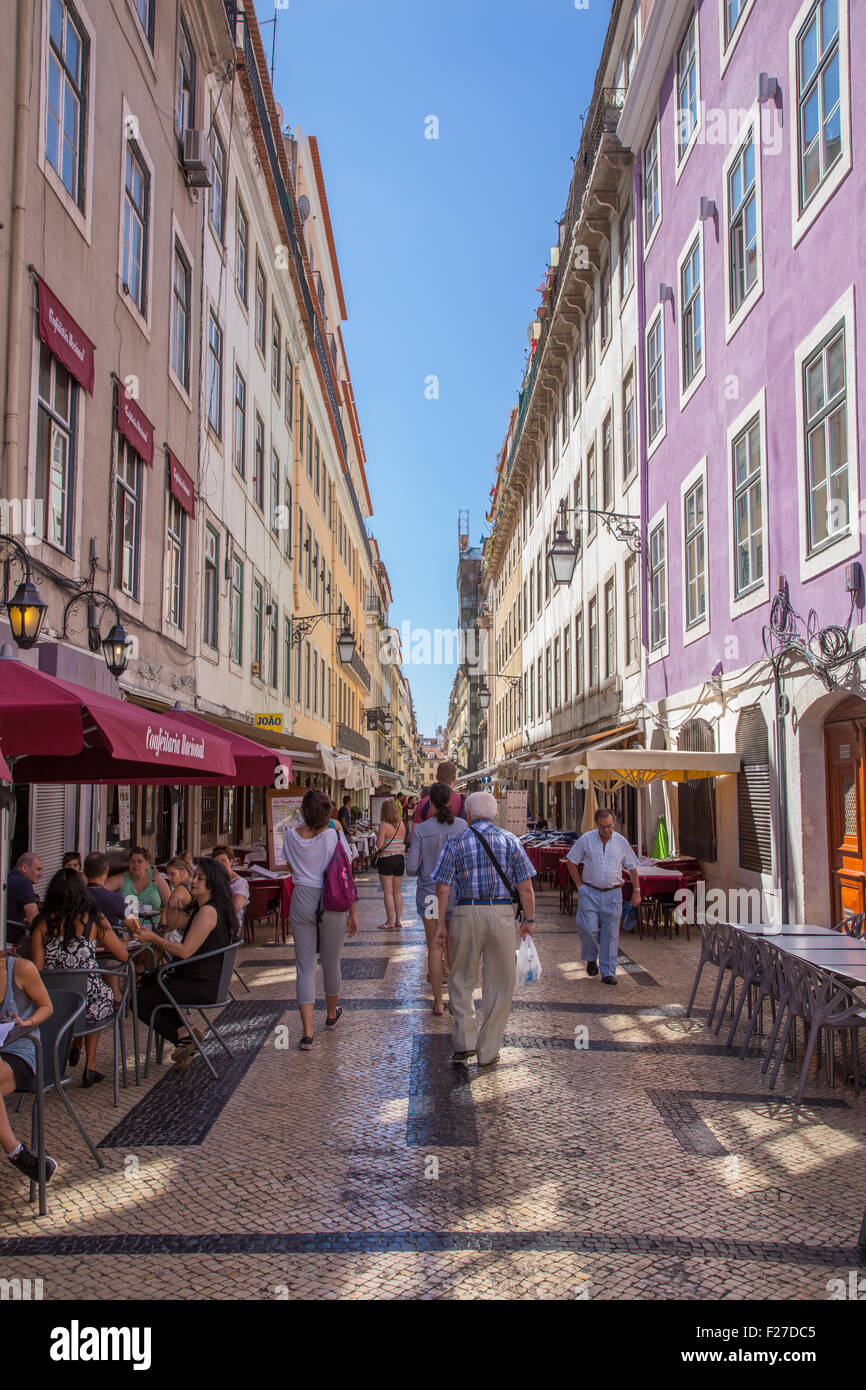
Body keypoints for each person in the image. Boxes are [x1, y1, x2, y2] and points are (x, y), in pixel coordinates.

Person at [432, 791, 536, 1067]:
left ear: (468, 815)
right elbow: (526, 888)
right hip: (501, 914)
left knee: (461, 978)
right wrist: (529, 920)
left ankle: (465, 1041)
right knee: (500, 983)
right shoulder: (511, 841)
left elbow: (442, 888)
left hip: (466, 912)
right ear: (494, 815)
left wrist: (441, 923)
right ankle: (488, 1050)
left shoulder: (456, 841)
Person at [134, 858, 235, 1071]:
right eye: (194, 876)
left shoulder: (208, 912)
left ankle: (183, 1036)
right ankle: (184, 1033)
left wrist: (154, 939)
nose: (193, 881)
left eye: (200, 878)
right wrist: (172, 906)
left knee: (138, 999)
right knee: (150, 990)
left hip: (202, 985)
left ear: (212, 884)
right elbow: (173, 923)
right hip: (203, 980)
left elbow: (185, 950)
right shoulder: (204, 907)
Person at [30, 867, 128, 1087]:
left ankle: (73, 1046)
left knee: (81, 993)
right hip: (87, 1000)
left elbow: (37, 967)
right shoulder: (94, 919)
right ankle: (90, 1065)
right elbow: (122, 955)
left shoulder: (42, 923)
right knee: (101, 994)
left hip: (52, 1003)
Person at [281, 788, 358, 1051]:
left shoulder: (290, 836)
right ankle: (332, 1014)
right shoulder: (334, 834)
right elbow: (347, 868)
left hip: (302, 895)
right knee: (331, 961)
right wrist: (354, 911)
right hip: (331, 898)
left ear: (304, 811)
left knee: (304, 966)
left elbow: (289, 865)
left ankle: (307, 1032)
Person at [405, 782, 467, 1015]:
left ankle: (438, 1002)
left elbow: (410, 868)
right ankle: (454, 999)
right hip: (454, 893)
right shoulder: (461, 826)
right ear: (450, 802)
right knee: (452, 945)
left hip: (429, 894)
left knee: (434, 946)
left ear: (430, 802)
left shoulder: (421, 830)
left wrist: (424, 867)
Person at [565, 808, 641, 984]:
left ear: (614, 824)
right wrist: (579, 885)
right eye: (602, 827)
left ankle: (608, 972)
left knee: (611, 934)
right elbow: (571, 861)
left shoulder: (621, 842)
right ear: (596, 824)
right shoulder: (586, 839)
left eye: (609, 826)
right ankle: (591, 957)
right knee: (588, 929)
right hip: (590, 891)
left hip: (613, 893)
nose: (606, 830)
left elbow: (632, 867)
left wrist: (637, 890)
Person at [0, 953, 55, 1182]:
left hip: (21, 1050)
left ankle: (16, 1152)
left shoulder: (21, 968)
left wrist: (27, 1023)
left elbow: (46, 1006)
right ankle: (19, 1154)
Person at [107, 847, 170, 918]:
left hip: (154, 925)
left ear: (147, 863)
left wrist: (163, 919)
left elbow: (168, 904)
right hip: (126, 927)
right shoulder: (122, 878)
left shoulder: (155, 878)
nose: (135, 864)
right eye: (132, 861)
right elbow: (99, 890)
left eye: (140, 861)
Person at [84, 852, 137, 932]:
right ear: (107, 870)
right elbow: (134, 927)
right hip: (108, 943)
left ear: (84, 871)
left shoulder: (74, 896)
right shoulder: (115, 898)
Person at [375, 798, 407, 929]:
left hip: (387, 859)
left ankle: (390, 921)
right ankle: (399, 920)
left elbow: (379, 845)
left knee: (388, 892)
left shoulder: (384, 826)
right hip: (400, 858)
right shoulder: (402, 825)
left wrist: (378, 834)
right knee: (397, 892)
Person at [6, 852, 43, 949]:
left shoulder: (8, 879)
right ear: (25, 868)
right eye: (38, 869)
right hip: (12, 945)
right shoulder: (23, 883)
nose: (41, 874)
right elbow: (34, 921)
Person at [211, 847, 249, 939]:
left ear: (231, 861)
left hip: (227, 931)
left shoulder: (240, 883)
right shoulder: (211, 880)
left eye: (223, 861)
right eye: (217, 862)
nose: (220, 864)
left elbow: (235, 907)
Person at [160, 857, 195, 937]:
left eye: (172, 874)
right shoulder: (195, 886)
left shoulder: (181, 889)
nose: (169, 878)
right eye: (168, 874)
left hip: (179, 937)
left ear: (183, 872)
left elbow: (163, 920)